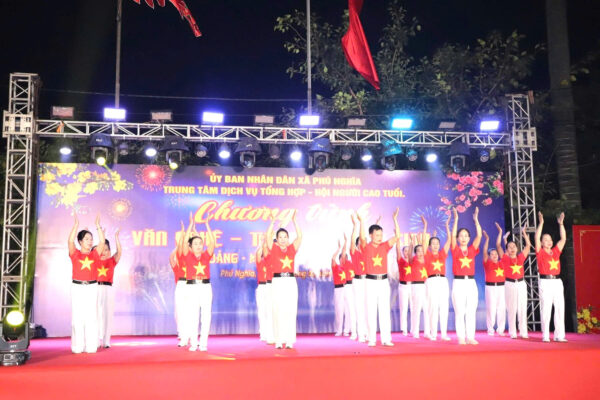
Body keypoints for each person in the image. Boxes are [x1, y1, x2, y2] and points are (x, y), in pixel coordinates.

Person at [358, 209, 400, 347]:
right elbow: (362, 238)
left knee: (384, 310)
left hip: (383, 282)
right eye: (376, 235)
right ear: (371, 235)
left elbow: (397, 236)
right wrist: (361, 222)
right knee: (370, 310)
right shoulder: (366, 247)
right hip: (370, 281)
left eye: (381, 235)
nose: (379, 237)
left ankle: (386, 338)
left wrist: (394, 219)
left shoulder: (384, 247)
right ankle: (371, 338)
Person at [68, 213, 106, 354]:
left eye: (91, 239)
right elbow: (70, 241)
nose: (90, 241)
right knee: (77, 317)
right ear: (80, 241)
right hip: (77, 287)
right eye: (86, 239)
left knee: (91, 316)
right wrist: (76, 225)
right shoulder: (75, 253)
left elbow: (102, 242)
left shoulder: (94, 254)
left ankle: (91, 345)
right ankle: (78, 346)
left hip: (92, 287)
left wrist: (97, 226)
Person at [266, 210, 302, 349]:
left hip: (290, 282)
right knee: (278, 310)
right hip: (277, 282)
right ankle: (279, 340)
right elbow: (268, 236)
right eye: (280, 237)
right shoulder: (274, 249)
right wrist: (272, 222)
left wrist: (294, 221)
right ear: (277, 239)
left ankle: (289, 340)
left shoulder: (292, 249)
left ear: (288, 238)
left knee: (290, 310)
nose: (282, 239)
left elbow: (300, 236)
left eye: (285, 237)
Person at [181, 213, 216, 351]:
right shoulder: (187, 256)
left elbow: (212, 243)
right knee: (193, 316)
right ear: (190, 246)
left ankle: (203, 344)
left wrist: (207, 225)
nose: (198, 246)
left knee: (206, 316)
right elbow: (184, 242)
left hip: (206, 287)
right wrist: (190, 225)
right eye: (195, 244)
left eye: (200, 243)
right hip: (192, 287)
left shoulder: (206, 256)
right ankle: (194, 343)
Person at [451, 207, 482, 345]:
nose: (463, 238)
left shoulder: (472, 249)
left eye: (466, 236)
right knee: (460, 311)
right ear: (458, 238)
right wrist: (456, 219)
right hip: (458, 283)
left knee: (471, 310)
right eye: (461, 235)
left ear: (469, 238)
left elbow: (479, 236)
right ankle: (461, 337)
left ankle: (470, 336)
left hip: (471, 283)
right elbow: (452, 236)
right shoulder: (455, 249)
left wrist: (476, 220)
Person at [535, 211, 567, 342]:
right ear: (542, 243)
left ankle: (559, 335)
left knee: (559, 307)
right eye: (545, 240)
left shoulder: (555, 251)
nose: (548, 242)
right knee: (546, 308)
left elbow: (563, 239)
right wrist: (541, 223)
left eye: (550, 240)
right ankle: (546, 335)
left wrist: (561, 224)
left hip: (557, 281)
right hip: (545, 281)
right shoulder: (540, 252)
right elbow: (536, 237)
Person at [501, 225, 531, 339]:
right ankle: (512, 332)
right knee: (512, 308)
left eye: (514, 246)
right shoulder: (505, 259)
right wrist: (504, 240)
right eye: (509, 247)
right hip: (509, 284)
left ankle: (523, 331)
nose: (512, 248)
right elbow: (499, 247)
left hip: (521, 284)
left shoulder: (520, 257)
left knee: (522, 308)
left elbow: (528, 246)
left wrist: (524, 233)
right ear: (507, 250)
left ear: (517, 249)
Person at [424, 215, 451, 341]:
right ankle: (433, 333)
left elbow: (449, 240)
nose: (435, 245)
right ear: (429, 246)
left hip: (442, 281)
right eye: (433, 244)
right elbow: (423, 242)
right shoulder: (427, 255)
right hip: (431, 281)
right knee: (433, 307)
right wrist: (425, 226)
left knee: (444, 306)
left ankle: (444, 334)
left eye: (437, 243)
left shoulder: (442, 254)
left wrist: (447, 226)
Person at [96, 229, 122, 348]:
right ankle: (96, 339)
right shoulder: (94, 260)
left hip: (108, 288)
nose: (104, 252)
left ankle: (106, 340)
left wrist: (116, 237)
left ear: (109, 251)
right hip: (96, 287)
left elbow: (119, 252)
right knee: (96, 314)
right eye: (102, 249)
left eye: (106, 250)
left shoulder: (112, 261)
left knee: (108, 315)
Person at [482, 226, 506, 337]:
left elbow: (499, 246)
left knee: (501, 308)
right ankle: (490, 329)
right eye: (492, 254)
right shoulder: (487, 262)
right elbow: (484, 252)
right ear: (489, 256)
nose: (495, 255)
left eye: (496, 254)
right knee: (491, 308)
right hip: (490, 287)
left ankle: (500, 329)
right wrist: (487, 239)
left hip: (502, 287)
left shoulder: (502, 262)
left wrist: (500, 232)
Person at [408, 232, 431, 339]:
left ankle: (427, 332)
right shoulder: (413, 260)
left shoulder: (426, 259)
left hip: (426, 286)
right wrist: (412, 242)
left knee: (427, 309)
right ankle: (415, 331)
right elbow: (409, 254)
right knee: (416, 309)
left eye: (422, 250)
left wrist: (421, 240)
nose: (421, 252)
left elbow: (425, 246)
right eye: (418, 251)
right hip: (416, 286)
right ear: (415, 252)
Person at [169, 222, 188, 346]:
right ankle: (181, 333)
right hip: (180, 286)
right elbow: (171, 258)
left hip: (191, 285)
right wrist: (177, 246)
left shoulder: (190, 259)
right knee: (179, 312)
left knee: (189, 311)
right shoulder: (177, 264)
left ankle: (189, 334)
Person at [350, 214, 368, 343]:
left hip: (368, 281)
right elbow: (352, 242)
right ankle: (361, 334)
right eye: (361, 243)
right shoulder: (354, 253)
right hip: (357, 281)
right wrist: (355, 226)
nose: (364, 244)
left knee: (368, 307)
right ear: (357, 245)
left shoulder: (368, 253)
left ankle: (367, 332)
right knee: (359, 307)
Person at [255, 234, 274, 344]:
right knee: (261, 311)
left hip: (270, 286)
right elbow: (258, 253)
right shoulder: (260, 262)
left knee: (269, 311)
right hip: (261, 287)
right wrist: (263, 242)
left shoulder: (272, 262)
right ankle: (263, 334)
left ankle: (271, 333)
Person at [397, 236, 414, 337]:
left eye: (408, 251)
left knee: (413, 307)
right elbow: (397, 251)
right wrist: (397, 240)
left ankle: (413, 328)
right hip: (403, 286)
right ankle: (404, 329)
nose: (407, 252)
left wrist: (412, 241)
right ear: (403, 253)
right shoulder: (401, 261)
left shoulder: (413, 261)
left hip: (412, 286)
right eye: (405, 251)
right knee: (403, 308)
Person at [341, 234, 357, 339]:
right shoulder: (346, 263)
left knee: (358, 309)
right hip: (348, 286)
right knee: (351, 309)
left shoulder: (357, 261)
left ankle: (360, 331)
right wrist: (346, 242)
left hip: (357, 285)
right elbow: (343, 255)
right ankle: (353, 332)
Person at [331, 239, 347, 336]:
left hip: (347, 288)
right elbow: (333, 258)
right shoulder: (336, 267)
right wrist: (339, 248)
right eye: (341, 258)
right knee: (339, 310)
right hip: (338, 289)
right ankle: (339, 330)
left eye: (345, 258)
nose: (343, 260)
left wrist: (346, 242)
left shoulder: (348, 266)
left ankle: (346, 330)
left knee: (348, 310)